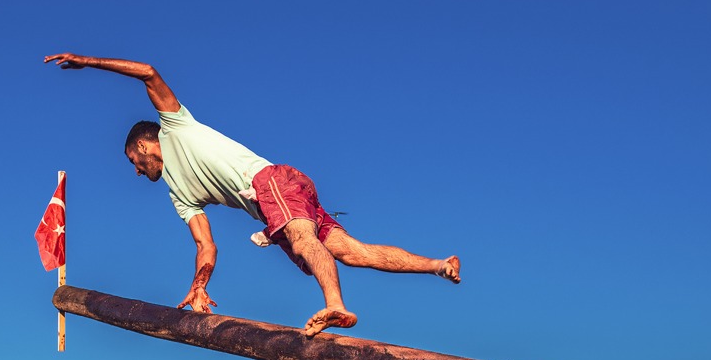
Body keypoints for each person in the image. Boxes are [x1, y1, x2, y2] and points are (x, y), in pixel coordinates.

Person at [44, 52, 461, 335]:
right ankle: (439, 265)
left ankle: (335, 303)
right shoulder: (179, 195)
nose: (136, 173)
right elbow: (206, 246)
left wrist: (88, 62)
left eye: (134, 163)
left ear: (143, 146)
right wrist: (199, 285)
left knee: (303, 241)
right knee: (352, 251)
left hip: (272, 183)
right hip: (280, 199)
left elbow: (149, 72)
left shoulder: (175, 127)